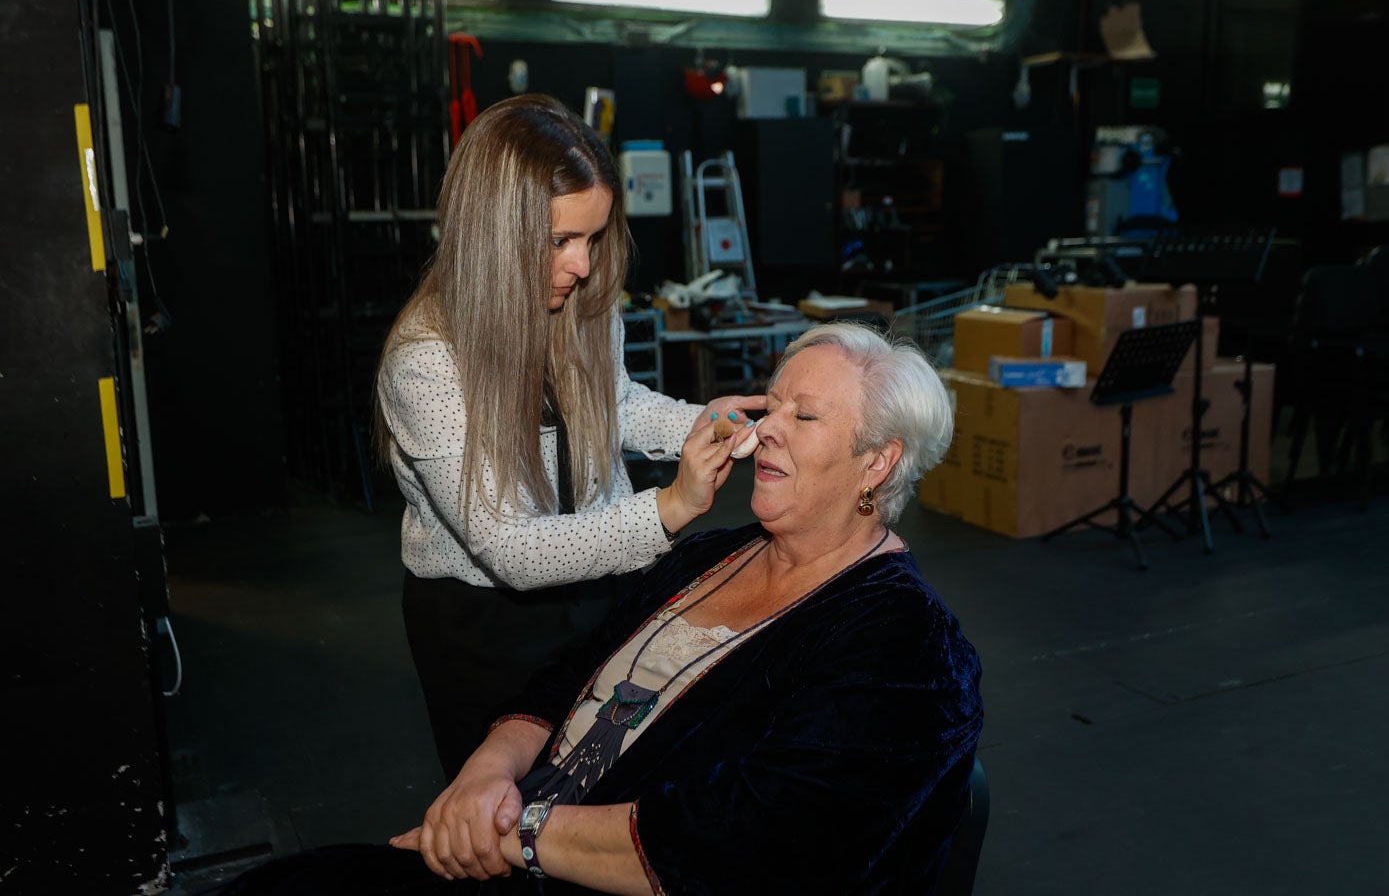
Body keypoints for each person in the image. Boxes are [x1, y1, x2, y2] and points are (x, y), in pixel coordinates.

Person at [226, 322, 983, 895]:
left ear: (877, 462)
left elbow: (751, 839)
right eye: (771, 402)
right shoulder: (708, 555)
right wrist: (482, 775)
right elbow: (563, 678)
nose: (765, 428)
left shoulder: (907, 644)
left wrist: (515, 831)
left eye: (804, 418)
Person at [374, 93, 762, 778]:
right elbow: (511, 548)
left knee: (605, 780)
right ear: (493, 235)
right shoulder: (427, 361)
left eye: (592, 237)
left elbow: (615, 404)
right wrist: (669, 506)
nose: (582, 265)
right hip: (486, 622)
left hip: (600, 584)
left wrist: (701, 423)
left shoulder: (579, 302)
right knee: (505, 816)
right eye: (559, 241)